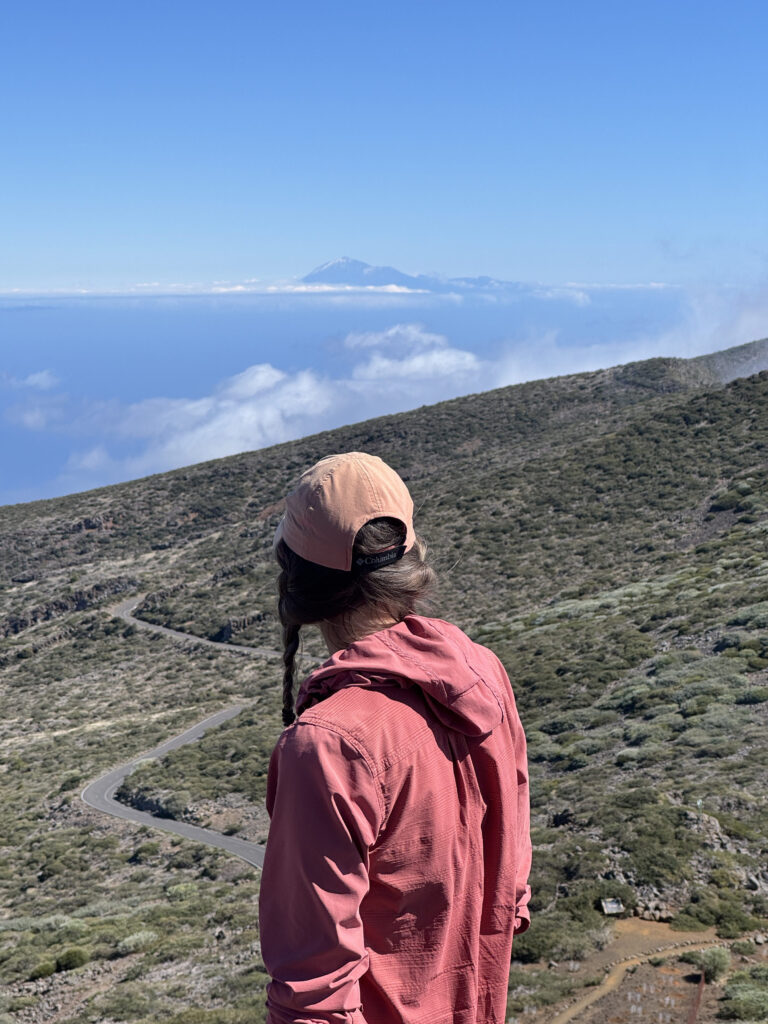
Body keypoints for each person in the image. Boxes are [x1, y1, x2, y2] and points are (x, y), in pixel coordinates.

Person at [258, 451, 532, 1024]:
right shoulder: (480, 670)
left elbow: (315, 993)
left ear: (298, 583)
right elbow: (511, 880)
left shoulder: (330, 743)